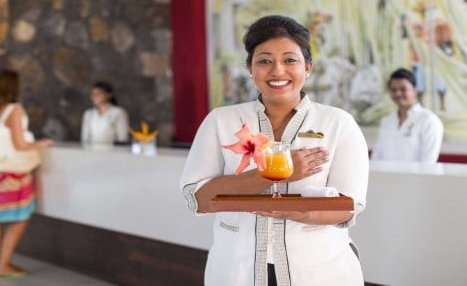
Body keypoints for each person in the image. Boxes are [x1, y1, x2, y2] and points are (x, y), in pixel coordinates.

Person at [180, 15, 369, 285]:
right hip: (236, 270)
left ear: (308, 68)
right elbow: (197, 198)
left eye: (290, 60)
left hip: (319, 271)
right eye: (265, 61)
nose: (277, 71)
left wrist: (290, 211)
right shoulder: (221, 121)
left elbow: (350, 206)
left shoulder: (337, 123)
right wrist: (275, 173)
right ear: (250, 68)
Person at [0, 69, 54, 279]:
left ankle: (3, 263)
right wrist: (41, 143)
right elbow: (20, 145)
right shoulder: (14, 109)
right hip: (12, 170)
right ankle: (4, 266)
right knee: (20, 216)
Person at [371, 68, 444, 162]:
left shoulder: (429, 121)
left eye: (403, 89)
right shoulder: (386, 121)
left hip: (416, 177)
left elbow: (428, 162)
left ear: (415, 91)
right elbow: (376, 157)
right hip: (386, 176)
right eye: (394, 90)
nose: (398, 93)